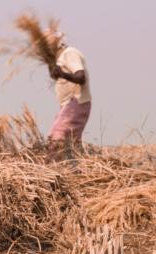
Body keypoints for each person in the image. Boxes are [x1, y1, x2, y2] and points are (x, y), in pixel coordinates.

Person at [45, 33, 92, 161]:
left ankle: (54, 168)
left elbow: (80, 77)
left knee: (56, 137)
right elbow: (55, 75)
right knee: (72, 143)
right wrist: (48, 61)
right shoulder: (60, 57)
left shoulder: (69, 53)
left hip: (76, 102)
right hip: (70, 104)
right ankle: (77, 167)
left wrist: (63, 74)